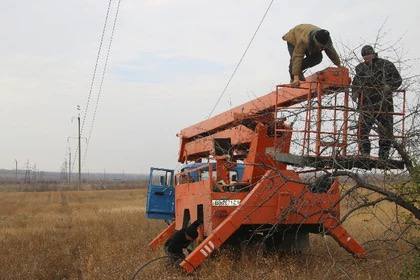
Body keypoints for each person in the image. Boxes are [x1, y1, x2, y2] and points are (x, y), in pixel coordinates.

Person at [352, 45, 402, 160]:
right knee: (362, 130)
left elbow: (397, 79)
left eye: (368, 55)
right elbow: (355, 83)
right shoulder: (360, 69)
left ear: (373, 54)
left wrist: (389, 87)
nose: (366, 58)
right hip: (366, 104)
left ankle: (383, 156)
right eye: (364, 56)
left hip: (384, 104)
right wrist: (354, 94)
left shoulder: (386, 65)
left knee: (386, 131)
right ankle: (365, 154)